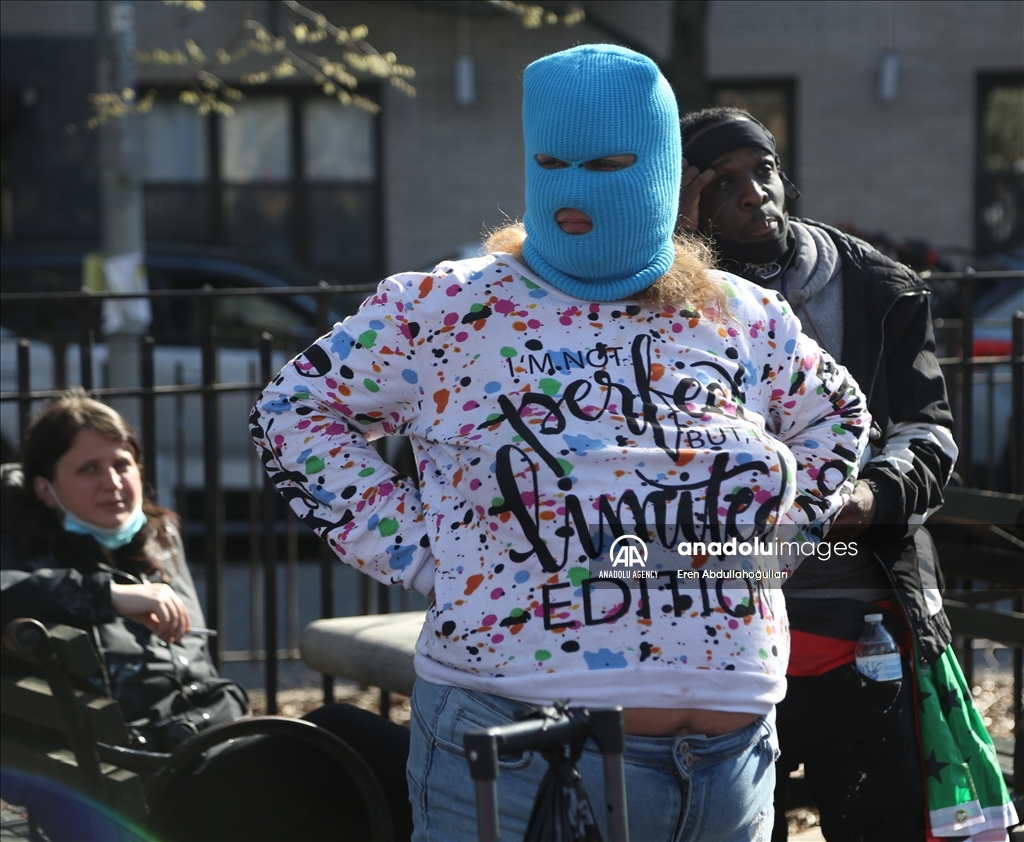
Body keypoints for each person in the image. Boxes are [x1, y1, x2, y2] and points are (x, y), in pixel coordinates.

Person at [251, 45, 871, 841]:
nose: (574, 189)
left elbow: (839, 415)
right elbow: (294, 410)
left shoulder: (741, 315)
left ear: (659, 171)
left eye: (609, 163)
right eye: (550, 161)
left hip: (731, 764)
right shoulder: (447, 310)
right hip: (517, 755)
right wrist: (423, 551)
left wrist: (779, 545)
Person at [677, 106, 1016, 841]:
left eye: (763, 170)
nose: (753, 192)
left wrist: (870, 496)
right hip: (718, 625)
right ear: (687, 198)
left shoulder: (875, 286)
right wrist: (675, 247)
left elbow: (928, 431)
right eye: (723, 181)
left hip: (866, 615)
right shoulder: (667, 296)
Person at [1, 390, 413, 841]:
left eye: (122, 464)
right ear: (45, 489)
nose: (113, 482)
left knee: (370, 793)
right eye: (88, 469)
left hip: (214, 754)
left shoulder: (157, 541)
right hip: (152, 792)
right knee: (341, 733)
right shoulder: (34, 557)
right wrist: (108, 595)